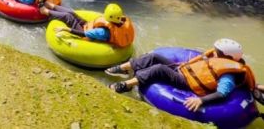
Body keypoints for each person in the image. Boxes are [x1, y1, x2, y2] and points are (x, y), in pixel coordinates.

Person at [107, 38, 257, 112]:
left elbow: (222, 94)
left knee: (159, 69)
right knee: (154, 57)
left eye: (217, 52)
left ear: (228, 57)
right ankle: (123, 67)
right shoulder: (220, 59)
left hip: (188, 82)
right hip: (185, 71)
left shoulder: (229, 75)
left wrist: (201, 101)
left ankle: (125, 85)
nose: (214, 52)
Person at [53, 3, 135, 47]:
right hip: (88, 25)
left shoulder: (102, 32)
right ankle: (52, 6)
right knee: (72, 13)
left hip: (85, 33)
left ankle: (46, 11)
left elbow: (83, 34)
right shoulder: (123, 22)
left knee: (68, 17)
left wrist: (65, 29)